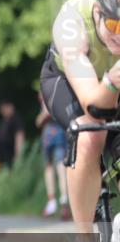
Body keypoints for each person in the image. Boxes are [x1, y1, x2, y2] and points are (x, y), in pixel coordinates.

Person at [40, 0, 120, 242]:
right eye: (115, 23)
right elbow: (93, 104)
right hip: (71, 84)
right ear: (99, 12)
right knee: (91, 132)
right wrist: (114, 79)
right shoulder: (73, 20)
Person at [36, 91, 69, 219]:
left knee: (56, 167)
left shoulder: (50, 98)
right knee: (55, 167)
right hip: (54, 134)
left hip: (54, 134)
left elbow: (42, 117)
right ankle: (59, 202)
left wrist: (41, 117)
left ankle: (58, 202)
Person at [0, 100, 25, 175]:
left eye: (4, 108)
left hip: (10, 152)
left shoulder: (16, 120)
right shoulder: (0, 120)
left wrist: (18, 153)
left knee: (10, 170)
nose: (2, 111)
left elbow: (19, 137)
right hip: (0, 153)